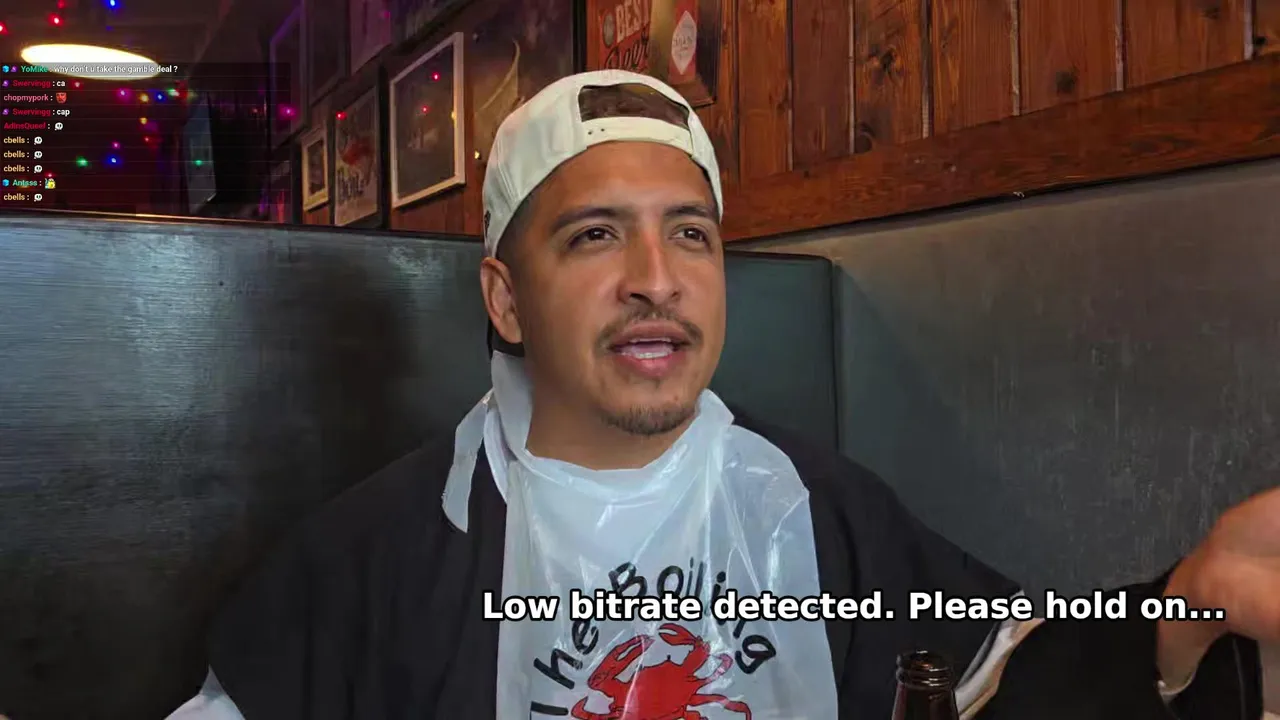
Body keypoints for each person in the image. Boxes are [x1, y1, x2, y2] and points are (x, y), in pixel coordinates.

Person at [168, 70, 1280, 720]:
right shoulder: (367, 564)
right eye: (595, 235)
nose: (656, 279)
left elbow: (1000, 676)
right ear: (505, 300)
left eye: (690, 234)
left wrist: (1178, 611)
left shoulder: (816, 508)